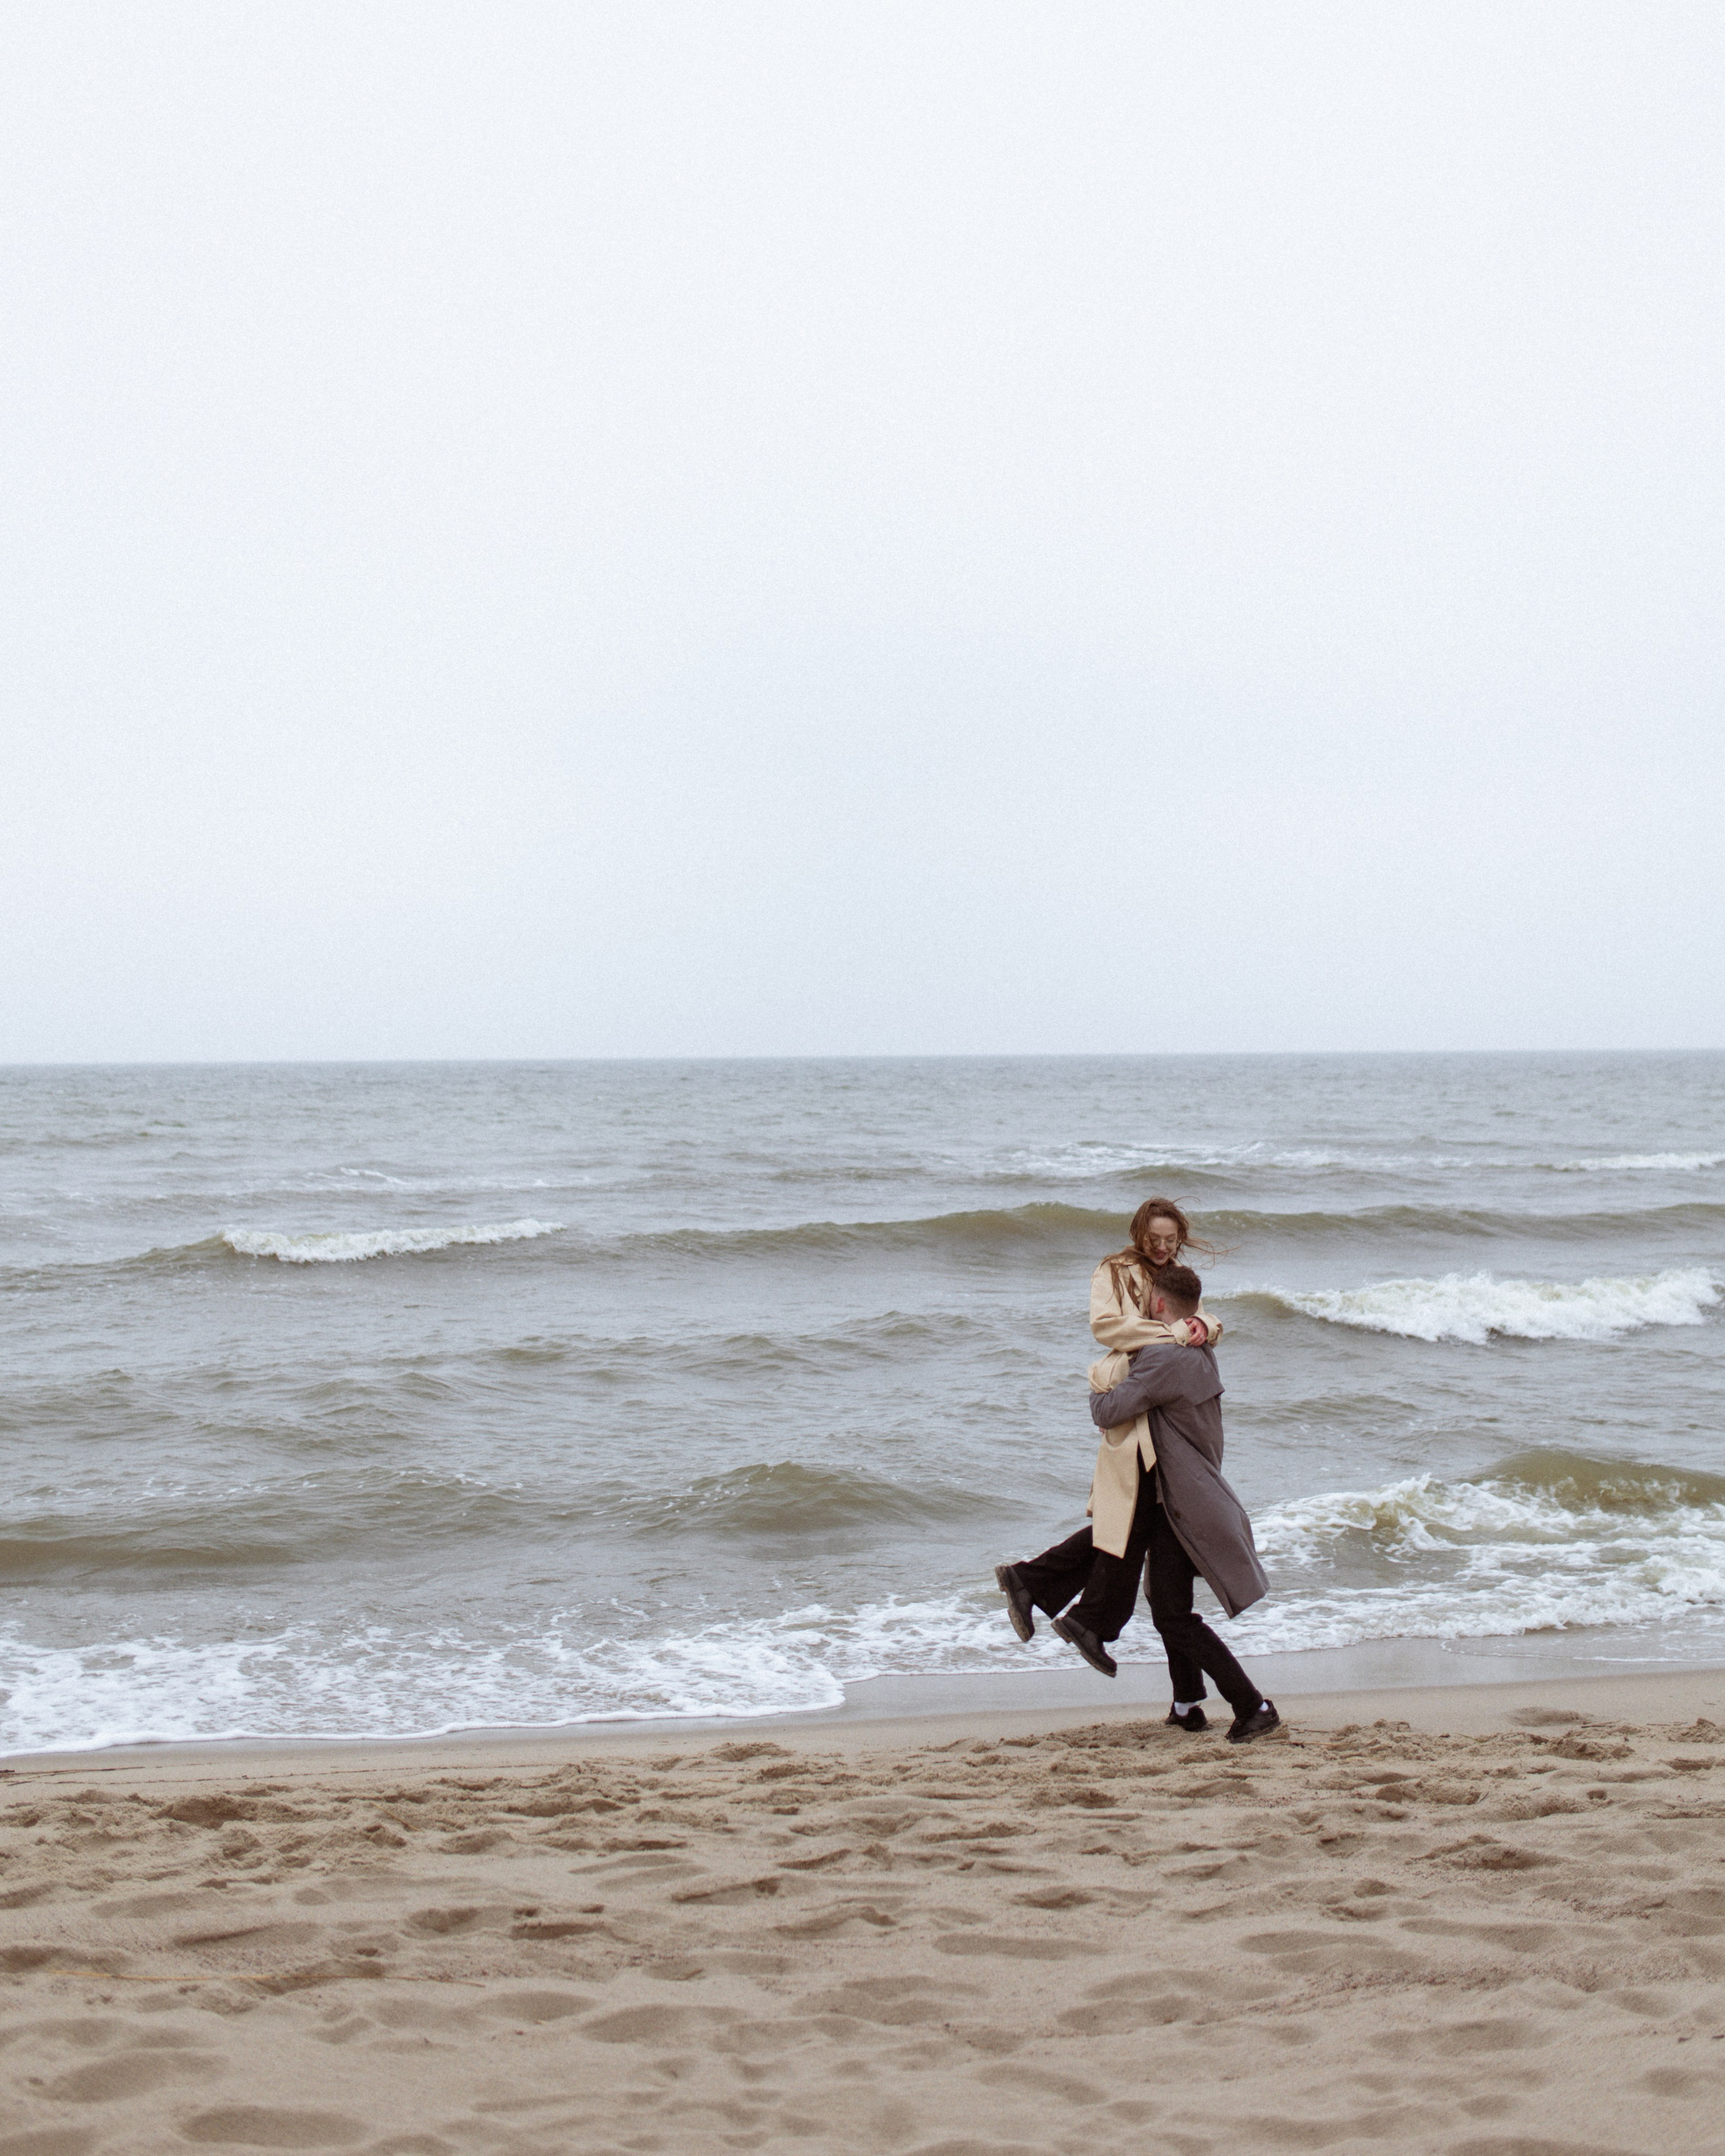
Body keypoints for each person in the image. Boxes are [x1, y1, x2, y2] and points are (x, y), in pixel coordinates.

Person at [999, 1264, 1279, 1745]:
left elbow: (1106, 1412)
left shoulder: (1166, 1359)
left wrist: (1100, 1377)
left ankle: (1254, 1706)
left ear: (1159, 1306)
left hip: (1181, 1502)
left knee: (1171, 1611)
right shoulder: (1201, 1348)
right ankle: (1188, 1703)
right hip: (1189, 1493)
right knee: (1159, 1591)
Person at [994, 1198, 1219, 1674]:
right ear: (1139, 1233)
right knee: (1130, 1523)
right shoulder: (1113, 1271)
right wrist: (1172, 1333)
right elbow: (1106, 1327)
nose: (1161, 1248)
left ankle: (1041, 1589)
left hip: (1154, 1404)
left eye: (1170, 1240)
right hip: (1130, 1396)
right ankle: (1075, 1613)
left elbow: (1200, 1315)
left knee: (1130, 1524)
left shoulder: (1177, 1272)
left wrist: (1201, 1324)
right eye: (1153, 1239)